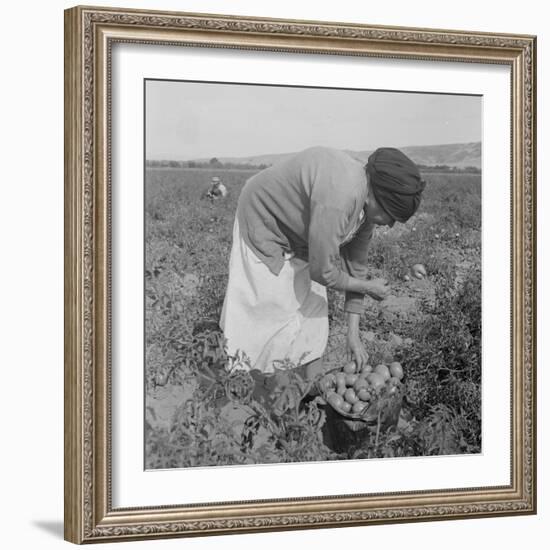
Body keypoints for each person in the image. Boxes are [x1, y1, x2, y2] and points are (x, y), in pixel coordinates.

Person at [220, 145, 425, 387]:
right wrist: (367, 287)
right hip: (264, 220)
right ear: (377, 196)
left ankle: (310, 388)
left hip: (302, 236)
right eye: (390, 216)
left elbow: (355, 268)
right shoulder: (341, 197)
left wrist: (353, 335)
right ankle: (251, 388)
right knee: (270, 313)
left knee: (313, 312)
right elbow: (323, 272)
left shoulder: (365, 208)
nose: (390, 225)